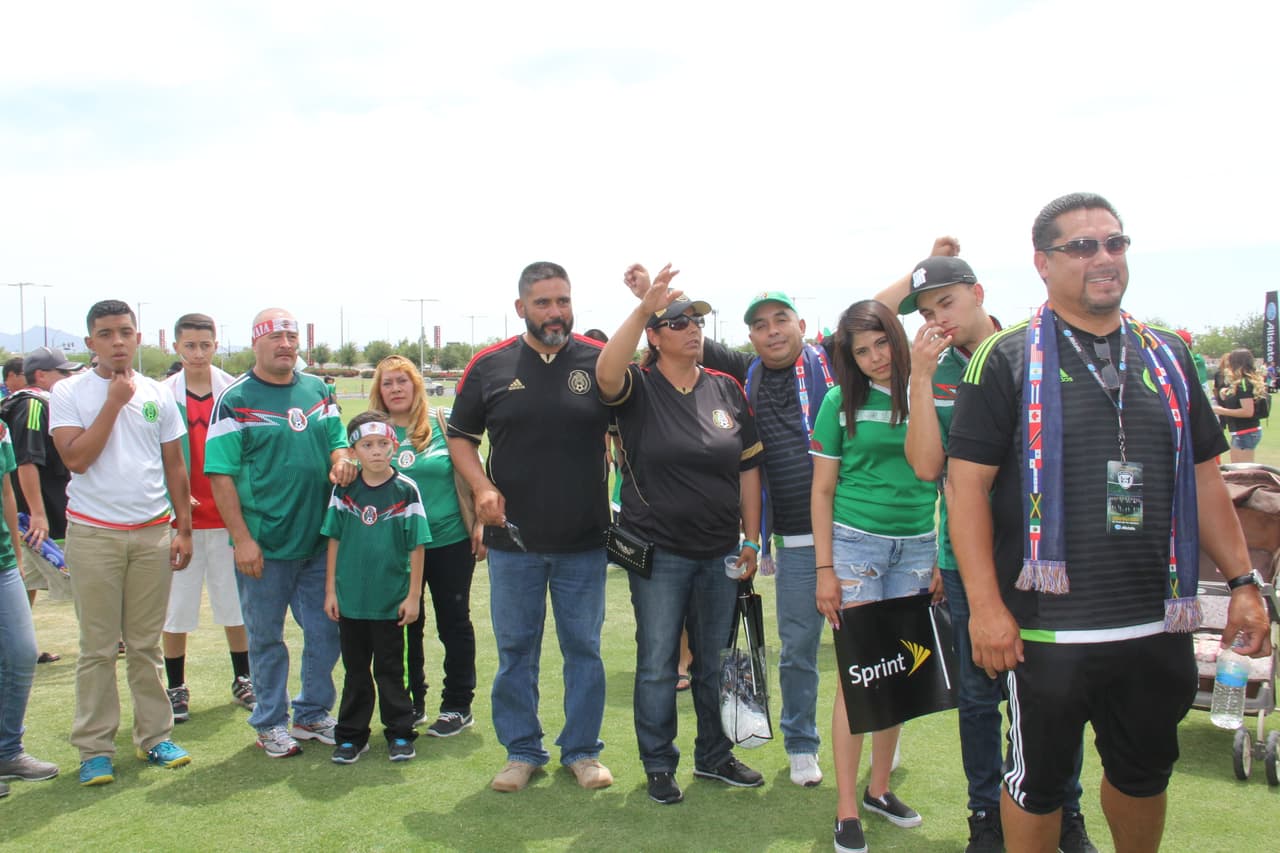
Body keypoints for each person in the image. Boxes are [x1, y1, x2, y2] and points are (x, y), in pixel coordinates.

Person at [947, 192, 1270, 853]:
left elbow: (1207, 478)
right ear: (1042, 262)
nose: (1104, 257)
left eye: (1115, 243)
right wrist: (984, 605)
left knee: (1144, 773)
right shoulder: (1004, 358)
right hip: (1045, 625)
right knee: (1038, 783)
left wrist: (1242, 580)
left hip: (1156, 621)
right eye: (1083, 246)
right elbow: (966, 489)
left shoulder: (1170, 356)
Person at [693, 238, 954, 790]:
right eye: (760, 324)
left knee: (880, 647)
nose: (772, 330)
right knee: (800, 646)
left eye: (780, 318)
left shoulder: (835, 362)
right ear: (750, 337)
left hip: (856, 530)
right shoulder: (747, 372)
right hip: (794, 534)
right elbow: (681, 341)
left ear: (800, 323)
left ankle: (882, 741)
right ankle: (802, 743)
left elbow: (872, 317)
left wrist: (919, 273)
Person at [881, 255, 1096, 853]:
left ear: (977, 293)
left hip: (1043, 556)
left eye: (946, 303)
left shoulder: (1038, 349)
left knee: (1055, 695)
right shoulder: (934, 368)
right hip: (966, 558)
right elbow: (927, 467)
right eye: (926, 312)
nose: (937, 319)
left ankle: (1062, 813)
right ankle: (986, 818)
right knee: (979, 699)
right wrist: (919, 379)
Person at [597, 266, 765, 806]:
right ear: (654, 334)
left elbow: (747, 470)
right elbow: (604, 372)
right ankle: (658, 764)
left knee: (714, 661)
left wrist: (752, 538)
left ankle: (715, 757)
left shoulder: (726, 388)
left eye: (696, 320)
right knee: (657, 662)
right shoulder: (637, 387)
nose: (692, 329)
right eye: (677, 322)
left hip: (719, 550)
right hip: (660, 551)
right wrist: (644, 305)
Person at [447, 261, 613, 793]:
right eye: (543, 303)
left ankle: (582, 752)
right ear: (521, 308)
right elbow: (460, 437)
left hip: (585, 541)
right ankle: (522, 751)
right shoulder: (489, 365)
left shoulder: (598, 360)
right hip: (513, 542)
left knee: (582, 649)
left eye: (562, 301)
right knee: (517, 650)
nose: (555, 312)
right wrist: (481, 488)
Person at [50, 300, 194, 786]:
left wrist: (184, 528)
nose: (117, 342)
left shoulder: (159, 393)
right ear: (90, 343)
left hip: (153, 533)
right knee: (96, 648)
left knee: (144, 645)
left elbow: (175, 465)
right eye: (106, 334)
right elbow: (77, 460)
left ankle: (155, 737)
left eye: (125, 332)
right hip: (93, 535)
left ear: (137, 339)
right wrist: (114, 401)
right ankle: (95, 748)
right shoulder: (68, 392)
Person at [810, 299, 936, 853]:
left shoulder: (931, 392)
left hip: (918, 548)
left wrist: (940, 557)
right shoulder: (838, 401)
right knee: (858, 677)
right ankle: (845, 808)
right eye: (861, 351)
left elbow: (949, 480)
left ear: (898, 338)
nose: (874, 358)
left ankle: (879, 789)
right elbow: (821, 491)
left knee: (902, 674)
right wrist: (824, 569)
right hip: (854, 545)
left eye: (882, 343)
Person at [205, 308, 353, 758]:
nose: (286, 344)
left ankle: (310, 713)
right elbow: (220, 475)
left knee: (326, 633)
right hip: (264, 546)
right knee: (266, 637)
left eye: (291, 336)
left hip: (316, 541)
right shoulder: (235, 399)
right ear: (256, 343)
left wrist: (341, 459)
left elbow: (336, 441)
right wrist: (243, 538)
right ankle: (269, 721)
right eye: (276, 337)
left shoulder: (316, 390)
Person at [369, 355, 480, 738]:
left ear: (416, 385)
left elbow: (472, 472)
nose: (396, 389)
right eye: (388, 383)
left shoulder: (442, 423)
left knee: (454, 622)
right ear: (378, 390)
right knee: (404, 625)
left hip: (448, 539)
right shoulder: (372, 433)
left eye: (403, 381)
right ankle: (411, 701)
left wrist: (480, 523)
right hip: (395, 545)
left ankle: (457, 705)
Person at [161, 314, 255, 722]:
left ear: (216, 345)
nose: (197, 353)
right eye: (189, 346)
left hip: (227, 519)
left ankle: (243, 679)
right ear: (177, 348)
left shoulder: (233, 392)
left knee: (234, 605)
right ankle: (176, 686)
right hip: (179, 523)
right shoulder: (162, 395)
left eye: (204, 345)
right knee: (176, 608)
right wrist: (174, 504)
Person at [322, 410, 429, 763]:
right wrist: (331, 591)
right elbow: (334, 540)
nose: (377, 452)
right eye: (367, 445)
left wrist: (413, 596)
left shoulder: (406, 490)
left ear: (394, 446)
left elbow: (417, 545)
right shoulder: (344, 491)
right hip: (352, 600)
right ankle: (351, 736)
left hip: (389, 600)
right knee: (355, 672)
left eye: (383, 443)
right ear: (353, 451)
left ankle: (400, 733)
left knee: (390, 670)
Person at [0, 346, 81, 663]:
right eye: (62, 372)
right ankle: (109, 637)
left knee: (27, 580)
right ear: (41, 375)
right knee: (72, 573)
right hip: (39, 511)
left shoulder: (28, 403)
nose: (68, 377)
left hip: (31, 509)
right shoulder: (33, 404)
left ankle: (19, 642)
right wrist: (37, 513)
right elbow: (26, 462)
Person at [0, 416, 60, 794]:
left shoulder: (1, 427)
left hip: (4, 561)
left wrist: (17, 556)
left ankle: (8, 751)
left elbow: (6, 492)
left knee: (22, 654)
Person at [1212, 347, 1267, 463]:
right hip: (1244, 432)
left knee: (1242, 474)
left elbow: (1247, 411)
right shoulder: (1242, 382)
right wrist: (1226, 393)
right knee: (1240, 472)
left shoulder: (1244, 383)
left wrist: (1221, 410)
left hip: (1245, 432)